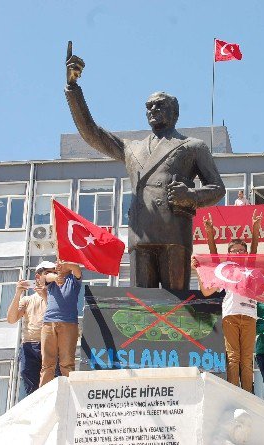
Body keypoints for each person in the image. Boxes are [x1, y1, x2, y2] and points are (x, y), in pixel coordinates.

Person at [65, 43, 225, 290]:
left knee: (175, 312)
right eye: (148, 106)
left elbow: (217, 188)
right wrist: (73, 88)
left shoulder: (193, 145)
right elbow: (92, 133)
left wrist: (191, 196)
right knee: (141, 311)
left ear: (174, 112)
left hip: (174, 234)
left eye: (159, 105)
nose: (152, 109)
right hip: (141, 235)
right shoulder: (132, 148)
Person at [193, 210, 262, 392]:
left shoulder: (250, 267)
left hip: (249, 316)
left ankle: (247, 395)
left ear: (246, 253)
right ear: (229, 254)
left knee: (247, 359)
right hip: (230, 315)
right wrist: (209, 234)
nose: (238, 253)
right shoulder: (224, 270)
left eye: (241, 250)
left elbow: (254, 250)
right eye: (234, 251)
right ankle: (234, 394)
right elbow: (207, 290)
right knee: (233, 357)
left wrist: (255, 228)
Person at [6, 260, 55, 395]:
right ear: (38, 277)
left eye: (53, 273)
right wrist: (18, 293)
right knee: (30, 383)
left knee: (51, 385)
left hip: (50, 344)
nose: (51, 276)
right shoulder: (27, 300)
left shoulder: (58, 297)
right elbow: (11, 319)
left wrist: (45, 296)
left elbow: (56, 317)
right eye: (47, 273)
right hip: (29, 345)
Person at [40, 259, 82, 386]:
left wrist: (67, 264)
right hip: (49, 323)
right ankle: (43, 394)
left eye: (61, 264)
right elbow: (44, 277)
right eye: (57, 263)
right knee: (47, 363)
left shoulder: (73, 280)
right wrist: (55, 277)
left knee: (67, 362)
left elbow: (77, 269)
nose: (58, 265)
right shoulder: (52, 280)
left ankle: (70, 391)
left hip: (68, 323)